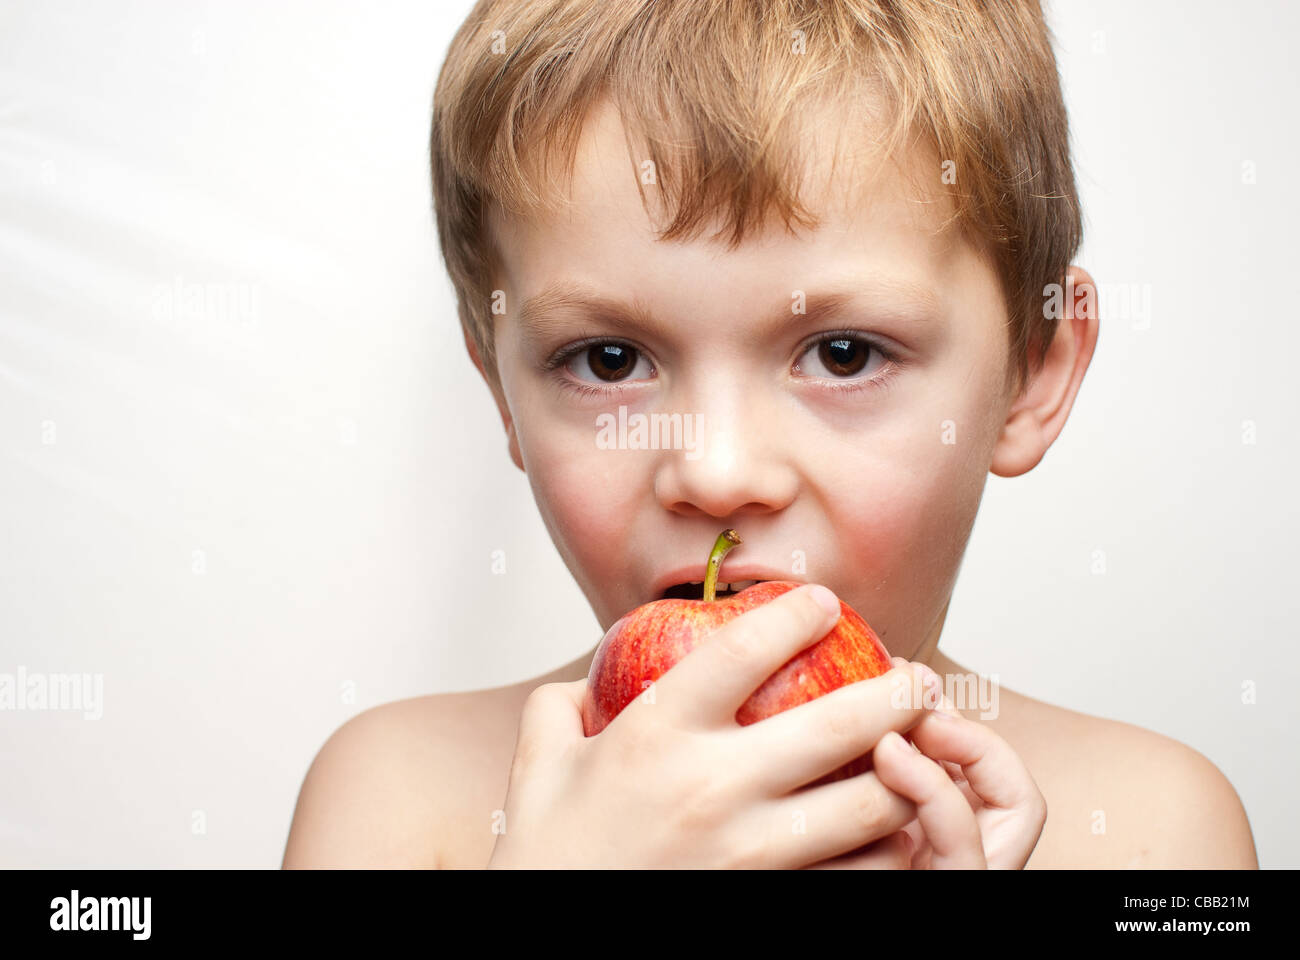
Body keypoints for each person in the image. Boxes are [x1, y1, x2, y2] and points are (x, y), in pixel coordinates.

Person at [283, 0, 1257, 869]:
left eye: (841, 353)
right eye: (609, 361)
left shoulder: (1156, 833)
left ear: (1033, 371)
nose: (715, 472)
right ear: (501, 392)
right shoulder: (392, 807)